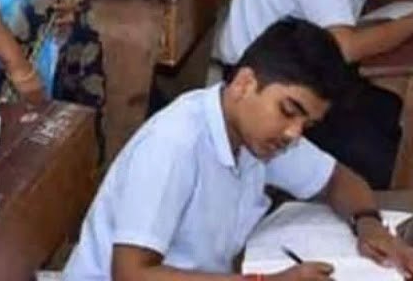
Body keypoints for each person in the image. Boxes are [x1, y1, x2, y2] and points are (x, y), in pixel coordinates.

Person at [64, 18, 413, 279]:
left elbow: (338, 179)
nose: (293, 133)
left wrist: (368, 223)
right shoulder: (175, 143)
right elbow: (132, 274)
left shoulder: (259, 136)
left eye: (306, 125)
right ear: (244, 84)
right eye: (289, 111)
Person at [215, 0, 413, 189]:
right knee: (386, 159)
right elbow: (344, 46)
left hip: (302, 74)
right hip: (266, 89)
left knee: (389, 110)